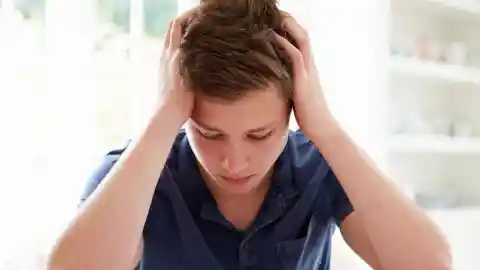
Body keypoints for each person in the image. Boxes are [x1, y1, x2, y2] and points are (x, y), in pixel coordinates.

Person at [47, 0, 452, 269]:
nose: (235, 163)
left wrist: (325, 127)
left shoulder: (320, 166)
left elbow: (431, 264)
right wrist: (162, 119)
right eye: (210, 133)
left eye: (260, 135)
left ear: (294, 109)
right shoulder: (135, 172)